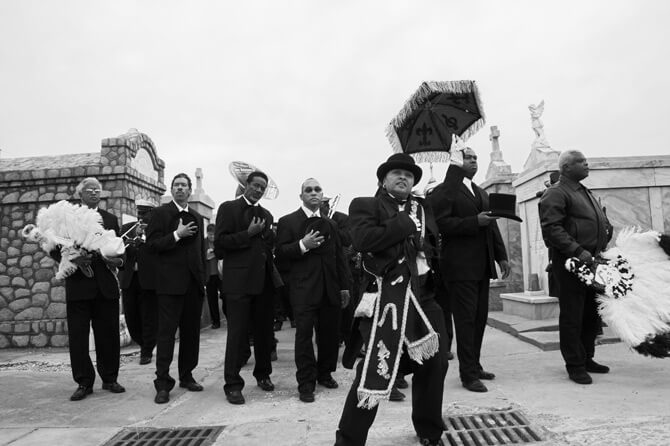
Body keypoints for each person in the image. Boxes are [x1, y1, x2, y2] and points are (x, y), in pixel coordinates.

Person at [336, 153, 449, 446]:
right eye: (397, 173)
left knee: (435, 364)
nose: (404, 178)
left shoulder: (423, 208)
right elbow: (363, 241)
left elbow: (433, 245)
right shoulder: (365, 205)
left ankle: (429, 430)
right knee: (376, 367)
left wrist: (424, 244)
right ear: (383, 179)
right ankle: (349, 440)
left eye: (409, 175)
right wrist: (404, 224)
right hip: (388, 297)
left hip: (425, 296)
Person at [427, 145, 510, 393]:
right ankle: (468, 374)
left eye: (476, 158)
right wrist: (474, 221)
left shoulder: (478, 191)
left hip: (482, 266)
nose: (474, 162)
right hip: (459, 267)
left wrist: (501, 256)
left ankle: (474, 364)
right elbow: (440, 224)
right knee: (464, 320)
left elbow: (492, 225)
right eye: (468, 158)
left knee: (479, 319)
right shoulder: (444, 192)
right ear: (455, 162)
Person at [539, 150, 613, 384]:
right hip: (572, 263)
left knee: (591, 313)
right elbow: (552, 229)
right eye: (581, 162)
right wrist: (578, 251)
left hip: (593, 262)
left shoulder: (584, 192)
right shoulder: (556, 193)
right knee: (573, 315)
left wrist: (603, 237)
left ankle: (587, 357)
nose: (587, 164)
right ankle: (574, 364)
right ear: (567, 167)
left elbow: (597, 221)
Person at [276, 179, 351, 403]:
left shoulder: (331, 224)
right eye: (308, 190)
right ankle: (306, 383)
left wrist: (344, 286)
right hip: (303, 289)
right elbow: (280, 253)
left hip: (330, 288)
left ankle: (324, 373)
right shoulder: (287, 221)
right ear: (301, 196)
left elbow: (339, 257)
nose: (314, 193)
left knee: (329, 335)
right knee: (304, 337)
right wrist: (302, 245)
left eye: (317, 189)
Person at [53, 177, 125, 401]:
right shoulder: (68, 219)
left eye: (97, 190)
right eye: (89, 190)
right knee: (78, 337)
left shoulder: (110, 219)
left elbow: (121, 251)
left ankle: (110, 378)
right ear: (80, 194)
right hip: (79, 287)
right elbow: (55, 247)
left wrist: (118, 262)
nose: (94, 193)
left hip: (105, 287)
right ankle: (84, 381)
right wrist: (74, 259)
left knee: (109, 335)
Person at [215, 171, 277, 405]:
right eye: (256, 186)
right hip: (237, 283)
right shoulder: (228, 208)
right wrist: (247, 234)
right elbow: (220, 243)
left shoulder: (267, 215)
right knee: (237, 335)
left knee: (264, 334)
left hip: (263, 283)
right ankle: (232, 384)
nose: (259, 190)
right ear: (246, 185)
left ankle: (263, 374)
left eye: (263, 188)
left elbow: (268, 245)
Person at [146, 173, 207, 404]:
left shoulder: (197, 217)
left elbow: (201, 251)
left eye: (184, 185)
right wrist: (176, 235)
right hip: (169, 286)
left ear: (190, 190)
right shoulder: (160, 214)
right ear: (171, 190)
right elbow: (151, 246)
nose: (180, 188)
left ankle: (187, 375)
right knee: (166, 335)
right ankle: (162, 383)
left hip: (193, 284)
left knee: (191, 334)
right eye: (176, 185)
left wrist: (202, 280)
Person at [119, 198, 158, 365]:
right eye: (139, 213)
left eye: (145, 213)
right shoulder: (128, 229)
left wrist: (145, 240)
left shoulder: (156, 231)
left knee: (149, 316)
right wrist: (130, 242)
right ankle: (142, 343)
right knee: (132, 317)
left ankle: (147, 349)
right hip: (129, 279)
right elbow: (117, 249)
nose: (141, 217)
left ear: (152, 214)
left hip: (148, 279)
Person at [205, 224, 224, 328]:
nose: (212, 237)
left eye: (214, 235)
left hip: (220, 274)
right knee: (212, 300)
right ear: (207, 233)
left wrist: (213, 253)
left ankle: (228, 317)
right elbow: (203, 256)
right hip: (209, 276)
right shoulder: (203, 243)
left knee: (225, 296)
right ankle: (216, 322)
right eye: (210, 235)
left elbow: (222, 254)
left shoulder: (219, 242)